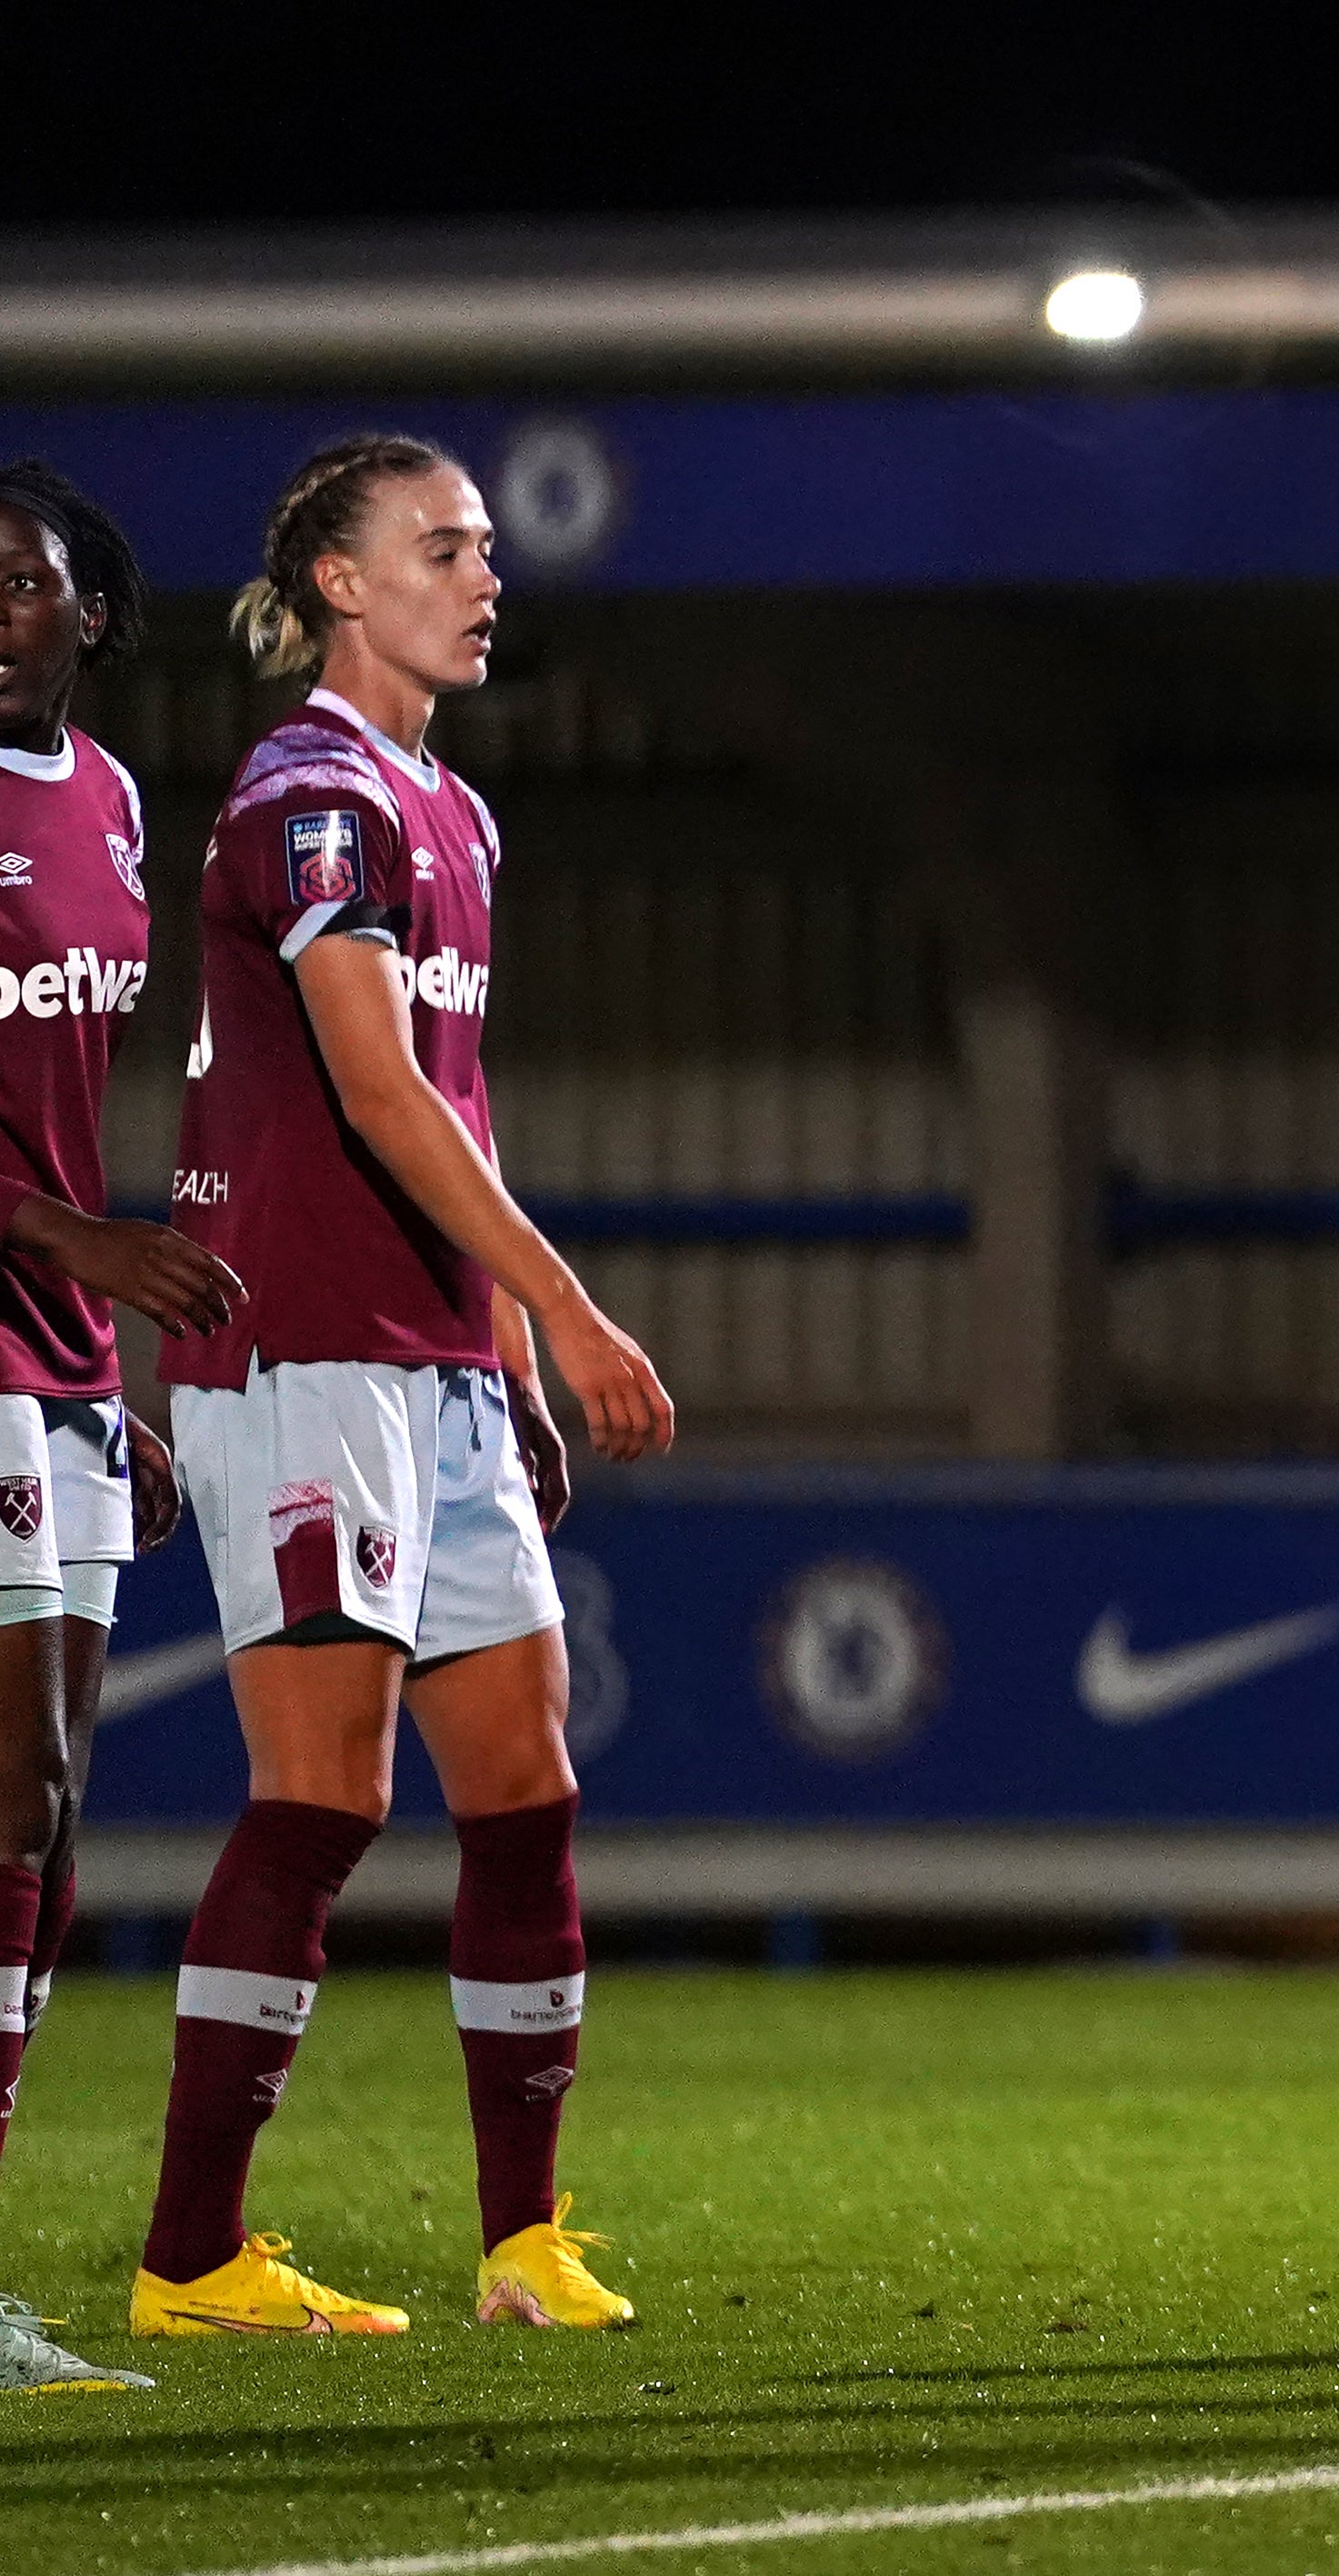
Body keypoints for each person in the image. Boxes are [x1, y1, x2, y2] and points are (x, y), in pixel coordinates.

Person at [128, 432, 676, 2342]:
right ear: (343, 586)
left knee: (526, 1789)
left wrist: (507, 1354)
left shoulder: (454, 812)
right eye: (444, 546)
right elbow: (371, 1092)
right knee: (323, 1798)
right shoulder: (310, 797)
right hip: (293, 1353)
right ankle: (192, 2253)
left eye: (488, 549)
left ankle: (522, 2241)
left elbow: (459, 1104)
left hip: (433, 1359)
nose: (486, 573)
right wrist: (579, 1308)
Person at [0, 462, 249, 2391]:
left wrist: (101, 1350)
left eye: (20, 581)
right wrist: (76, 1244)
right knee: (15, 1791)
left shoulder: (109, 805)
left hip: (60, 1356)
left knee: (58, 1811)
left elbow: (74, 1116)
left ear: (95, 607)